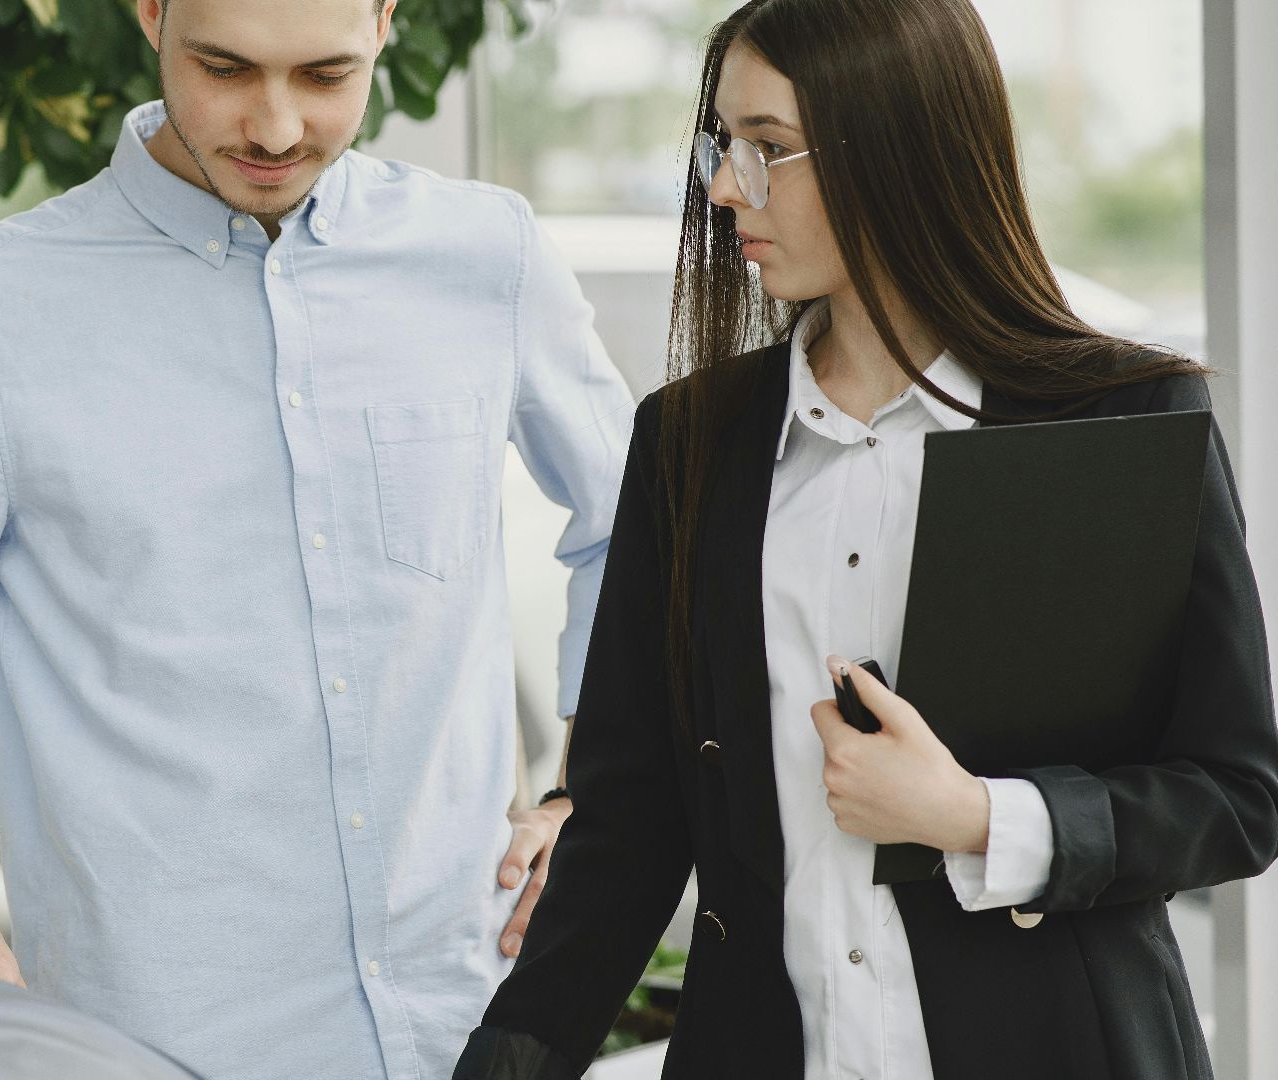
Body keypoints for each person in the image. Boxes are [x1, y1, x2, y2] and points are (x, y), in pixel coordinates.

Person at [0, 0, 636, 1074]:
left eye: (324, 77)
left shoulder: (487, 257)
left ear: (387, 22)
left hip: (479, 1025)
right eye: (225, 68)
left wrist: (586, 787)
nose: (272, 129)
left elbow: (634, 524)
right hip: (160, 1051)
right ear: (152, 13)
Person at [452, 0, 1278, 1077]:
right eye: (721, 145)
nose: (721, 187)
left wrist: (980, 818)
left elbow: (1235, 796)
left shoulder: (1127, 416)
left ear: (902, 145)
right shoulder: (687, 443)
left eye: (768, 149)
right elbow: (628, 827)